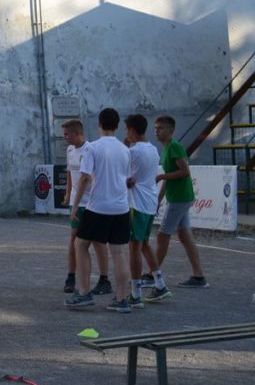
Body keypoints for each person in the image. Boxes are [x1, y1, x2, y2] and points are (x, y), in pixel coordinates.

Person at [66, 108, 132, 312]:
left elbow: (85, 178)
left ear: (99, 124)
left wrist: (75, 206)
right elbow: (128, 180)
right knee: (119, 252)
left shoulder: (92, 148)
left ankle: (84, 292)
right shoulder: (125, 149)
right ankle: (122, 299)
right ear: (117, 125)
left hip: (98, 206)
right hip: (121, 208)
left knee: (80, 244)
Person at [152, 115, 206, 292]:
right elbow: (170, 176)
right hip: (179, 197)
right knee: (184, 236)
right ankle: (199, 276)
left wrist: (162, 176)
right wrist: (159, 200)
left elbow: (184, 171)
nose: (156, 131)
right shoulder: (167, 148)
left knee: (162, 235)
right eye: (156, 128)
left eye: (160, 128)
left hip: (180, 198)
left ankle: (153, 274)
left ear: (171, 130)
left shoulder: (174, 147)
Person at [61, 119, 112, 295]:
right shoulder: (69, 150)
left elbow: (87, 177)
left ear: (77, 133)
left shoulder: (91, 149)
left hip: (91, 203)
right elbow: (69, 173)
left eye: (67, 134)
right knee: (74, 240)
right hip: (75, 201)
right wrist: (68, 194)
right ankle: (70, 277)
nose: (65, 138)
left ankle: (104, 279)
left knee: (98, 241)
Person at [124, 115, 161, 309]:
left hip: (136, 204)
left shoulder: (133, 151)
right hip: (149, 202)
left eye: (126, 130)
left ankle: (135, 294)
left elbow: (126, 178)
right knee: (144, 244)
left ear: (131, 130)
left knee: (134, 247)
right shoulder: (153, 150)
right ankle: (160, 284)